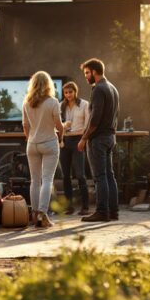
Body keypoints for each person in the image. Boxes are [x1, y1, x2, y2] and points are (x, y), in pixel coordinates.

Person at [78, 58, 120, 223]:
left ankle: (102, 212)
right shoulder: (113, 88)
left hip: (98, 139)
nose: (86, 77)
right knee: (109, 175)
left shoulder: (98, 89)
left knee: (100, 176)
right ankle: (113, 212)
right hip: (110, 137)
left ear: (94, 72)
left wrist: (83, 138)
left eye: (87, 73)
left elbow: (95, 120)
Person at [22, 71, 64, 228]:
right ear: (48, 85)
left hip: (32, 144)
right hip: (49, 142)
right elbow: (59, 125)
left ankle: (34, 215)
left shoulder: (26, 102)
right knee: (47, 180)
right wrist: (61, 136)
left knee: (34, 181)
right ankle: (43, 215)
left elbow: (25, 126)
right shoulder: (53, 102)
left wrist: (29, 138)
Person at [59, 81, 90, 215]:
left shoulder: (84, 104)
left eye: (70, 92)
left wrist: (84, 140)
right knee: (65, 175)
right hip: (64, 141)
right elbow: (57, 124)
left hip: (78, 139)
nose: (68, 95)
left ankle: (85, 206)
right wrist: (63, 126)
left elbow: (88, 124)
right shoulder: (61, 105)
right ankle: (69, 206)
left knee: (80, 175)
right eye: (66, 92)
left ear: (75, 92)